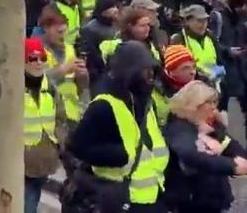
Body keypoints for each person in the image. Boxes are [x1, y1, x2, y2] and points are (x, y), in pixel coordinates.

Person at [68, 40, 169, 212]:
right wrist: (117, 155)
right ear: (131, 72)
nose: (150, 78)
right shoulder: (104, 105)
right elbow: (77, 146)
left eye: (152, 72)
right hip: (120, 199)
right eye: (145, 72)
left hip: (151, 197)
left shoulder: (145, 103)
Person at [163, 80, 247, 213]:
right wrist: (232, 166)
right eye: (210, 102)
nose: (214, 107)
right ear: (194, 105)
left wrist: (217, 134)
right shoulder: (179, 129)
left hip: (217, 200)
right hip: (193, 204)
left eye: (215, 102)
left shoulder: (207, 125)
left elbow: (236, 150)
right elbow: (190, 154)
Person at [23, 37, 63, 213]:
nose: (38, 63)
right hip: (21, 161)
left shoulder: (51, 88)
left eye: (42, 58)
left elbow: (60, 118)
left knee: (34, 196)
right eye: (32, 58)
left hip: (44, 159)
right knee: (27, 202)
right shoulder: (13, 88)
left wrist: (59, 142)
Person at [79, 0, 120, 87]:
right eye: (112, 7)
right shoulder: (90, 29)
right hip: (99, 73)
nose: (116, 9)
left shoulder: (116, 25)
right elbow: (91, 54)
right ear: (103, 11)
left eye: (116, 6)